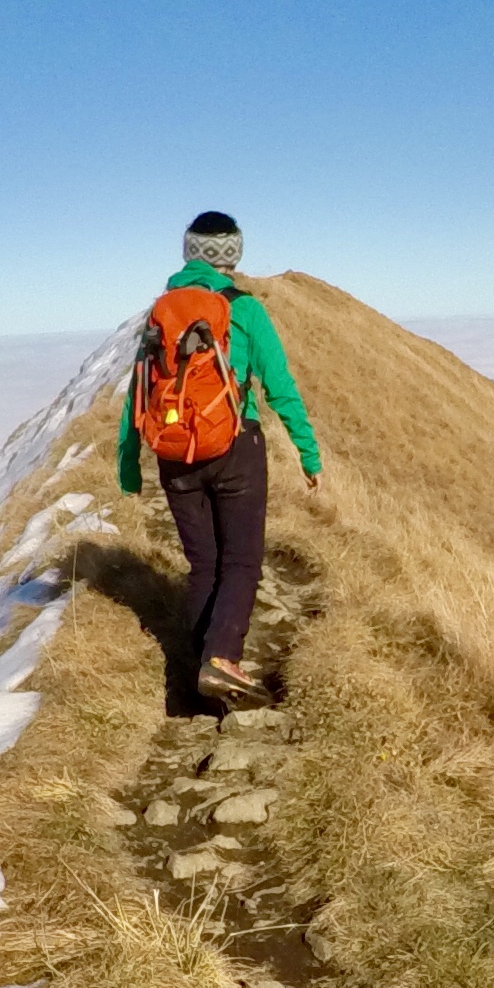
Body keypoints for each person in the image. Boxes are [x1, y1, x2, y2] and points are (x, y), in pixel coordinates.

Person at [117, 209, 321, 705]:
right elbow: (280, 387)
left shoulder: (160, 313)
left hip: (174, 452)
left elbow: (138, 391)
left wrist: (129, 465)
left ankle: (200, 672)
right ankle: (222, 658)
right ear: (234, 256)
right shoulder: (246, 309)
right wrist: (308, 454)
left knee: (204, 564)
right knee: (242, 561)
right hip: (235, 446)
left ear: (189, 252)